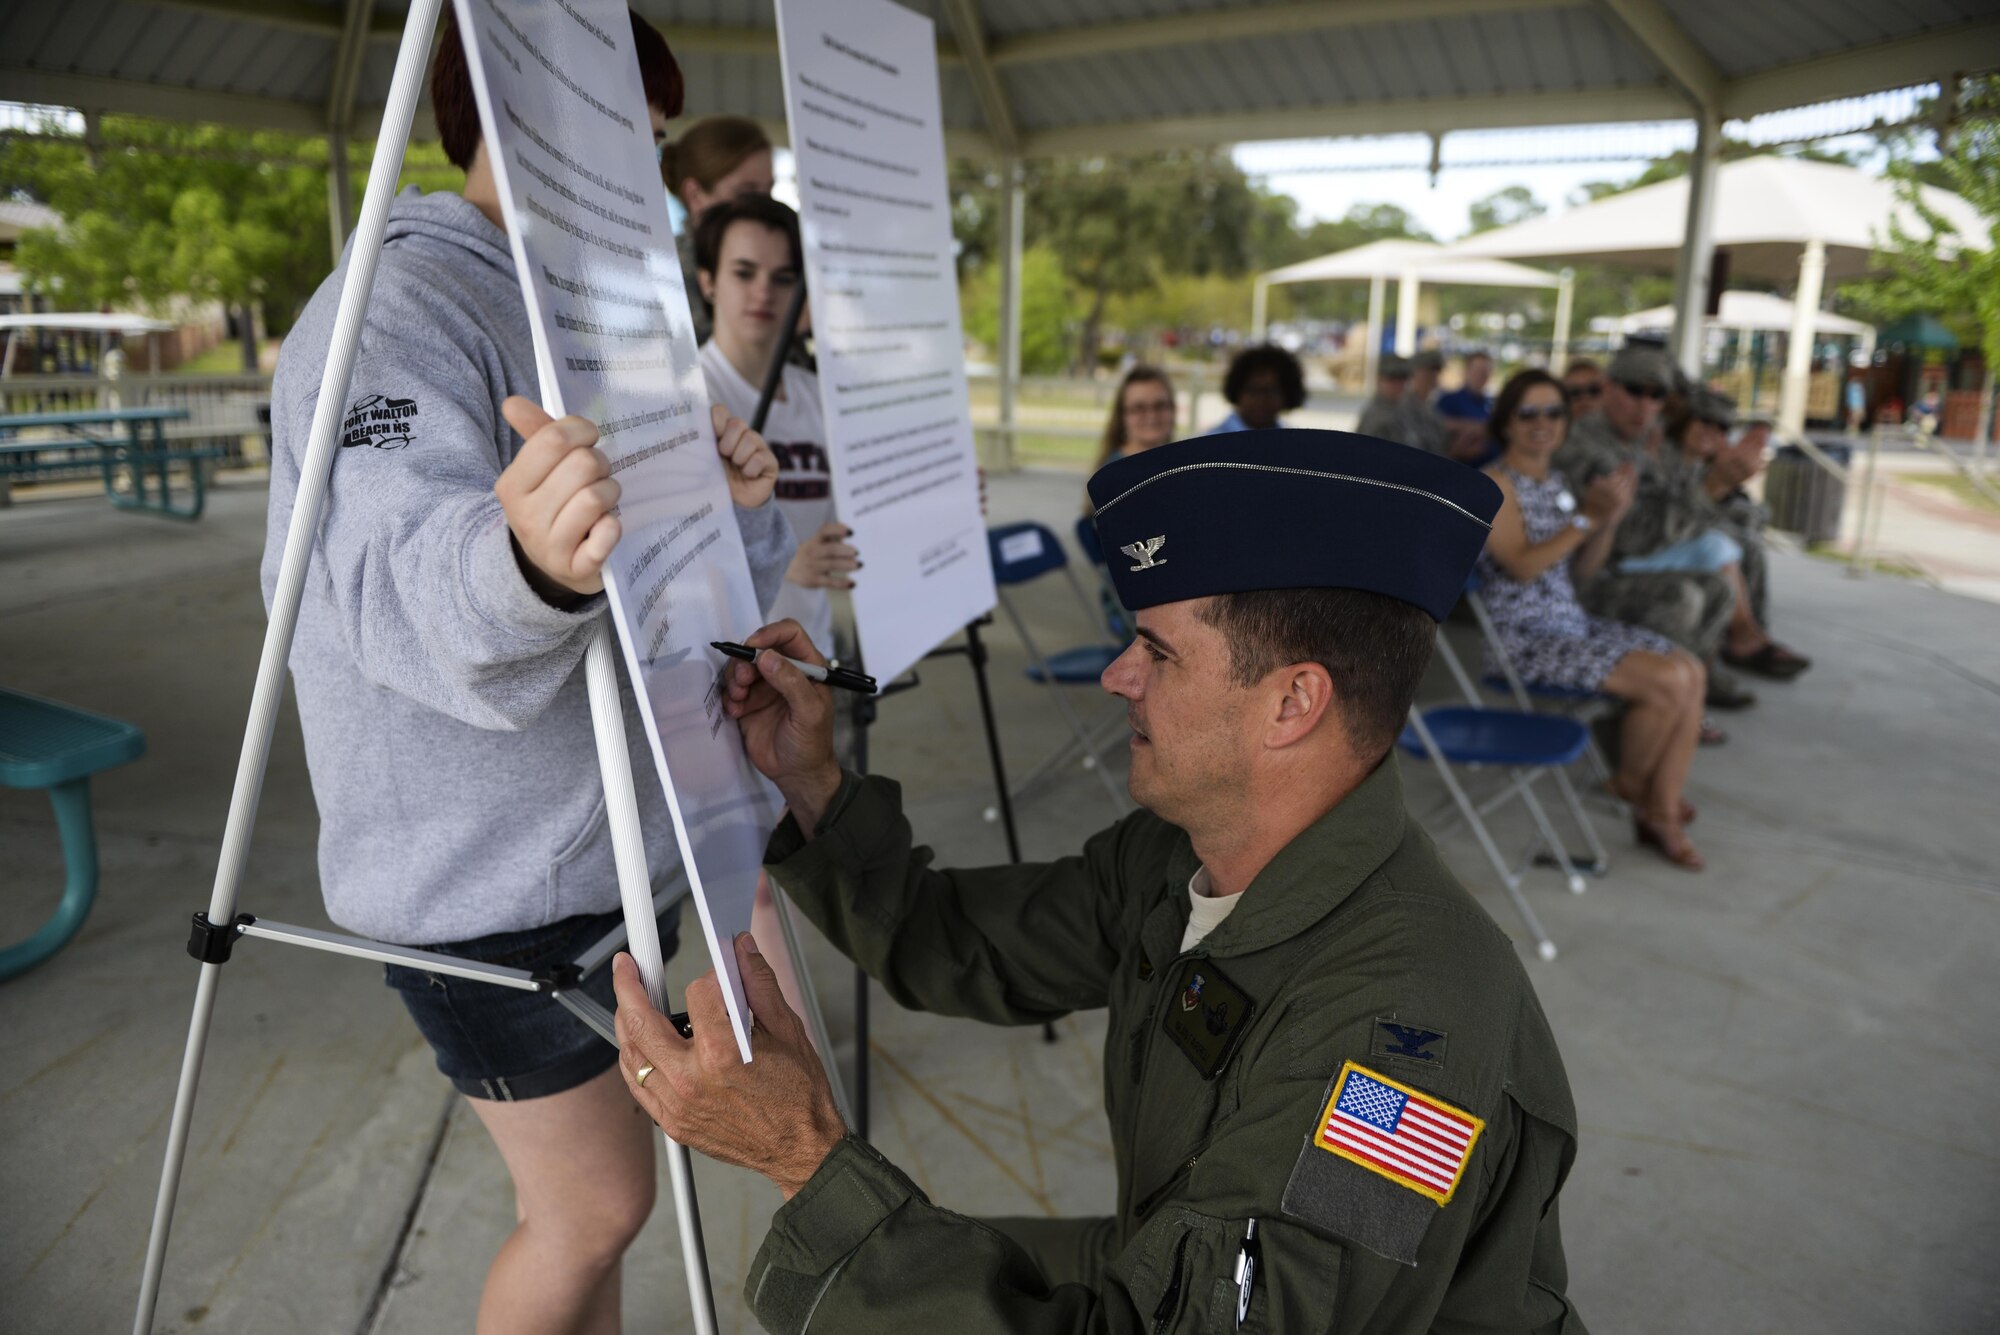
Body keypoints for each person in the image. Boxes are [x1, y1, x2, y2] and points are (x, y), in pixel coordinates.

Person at [614, 431, 1588, 1332]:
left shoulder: (1406, 1040)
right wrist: (812, 786)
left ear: (1292, 702)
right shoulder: (1184, 853)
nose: (1115, 676)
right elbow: (955, 944)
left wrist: (805, 1156)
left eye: (1156, 651)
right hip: (1176, 1258)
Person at [263, 15, 794, 1333]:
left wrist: (732, 515)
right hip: (489, 885)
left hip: (603, 846)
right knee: (594, 1206)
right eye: (625, 129)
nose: (646, 170)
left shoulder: (585, 294)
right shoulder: (398, 304)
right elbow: (383, 572)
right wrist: (526, 560)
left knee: (599, 1206)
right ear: (518, 114)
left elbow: (655, 564)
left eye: (655, 138)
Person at [1480, 370, 1708, 869]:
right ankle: (1633, 787)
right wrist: (1585, 517)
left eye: (1554, 413)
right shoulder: (1494, 485)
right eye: (1529, 413)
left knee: (1691, 670)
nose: (1543, 424)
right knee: (1666, 682)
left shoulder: (1556, 481)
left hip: (1570, 625)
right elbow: (1520, 565)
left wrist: (1607, 520)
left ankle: (1659, 810)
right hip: (1523, 642)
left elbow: (1580, 571)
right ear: (1506, 423)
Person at [694, 194, 853, 655]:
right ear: (708, 282)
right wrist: (781, 561)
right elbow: (667, 561)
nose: (764, 291)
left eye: (783, 279)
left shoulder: (817, 395)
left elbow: (856, 516)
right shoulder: (684, 399)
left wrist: (943, 497)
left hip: (813, 656)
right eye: (744, 273)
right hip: (727, 668)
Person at [1553, 346, 1745, 714]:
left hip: (1620, 568)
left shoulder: (1644, 442)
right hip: (1579, 581)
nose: (1644, 405)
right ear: (1608, 388)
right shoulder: (1584, 445)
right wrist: (1711, 489)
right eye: (1634, 391)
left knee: (1720, 589)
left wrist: (1710, 486)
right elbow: (1631, 538)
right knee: (1681, 596)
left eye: (1656, 395)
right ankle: (1650, 707)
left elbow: (1670, 518)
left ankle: (1676, 702)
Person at [662, 116, 775, 342]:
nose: (765, 208)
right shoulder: (666, 275)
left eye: (769, 191)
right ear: (695, 196)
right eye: (746, 194)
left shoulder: (778, 262)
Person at [1092, 364, 1178, 470]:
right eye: (1139, 408)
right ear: (1122, 415)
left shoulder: (1183, 466)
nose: (1151, 416)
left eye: (1159, 405)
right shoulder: (1112, 474)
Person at [1206, 343, 1304, 432]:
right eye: (1253, 390)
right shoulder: (1209, 445)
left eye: (1272, 390)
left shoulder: (1294, 445)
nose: (1262, 399)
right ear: (1236, 390)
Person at [1436, 348, 1495, 459]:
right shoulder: (1449, 400)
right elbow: (1440, 426)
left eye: (1485, 371)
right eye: (1477, 370)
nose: (1481, 375)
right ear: (1466, 371)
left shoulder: (1491, 404)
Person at [1396, 349, 1452, 457]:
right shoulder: (1401, 407)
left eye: (1436, 371)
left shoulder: (1432, 408)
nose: (1432, 376)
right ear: (1414, 373)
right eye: (1428, 371)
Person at [1353, 352, 1410, 438]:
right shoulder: (1376, 417)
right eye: (1392, 379)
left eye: (1402, 379)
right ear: (1379, 380)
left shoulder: (1403, 409)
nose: (1398, 385)